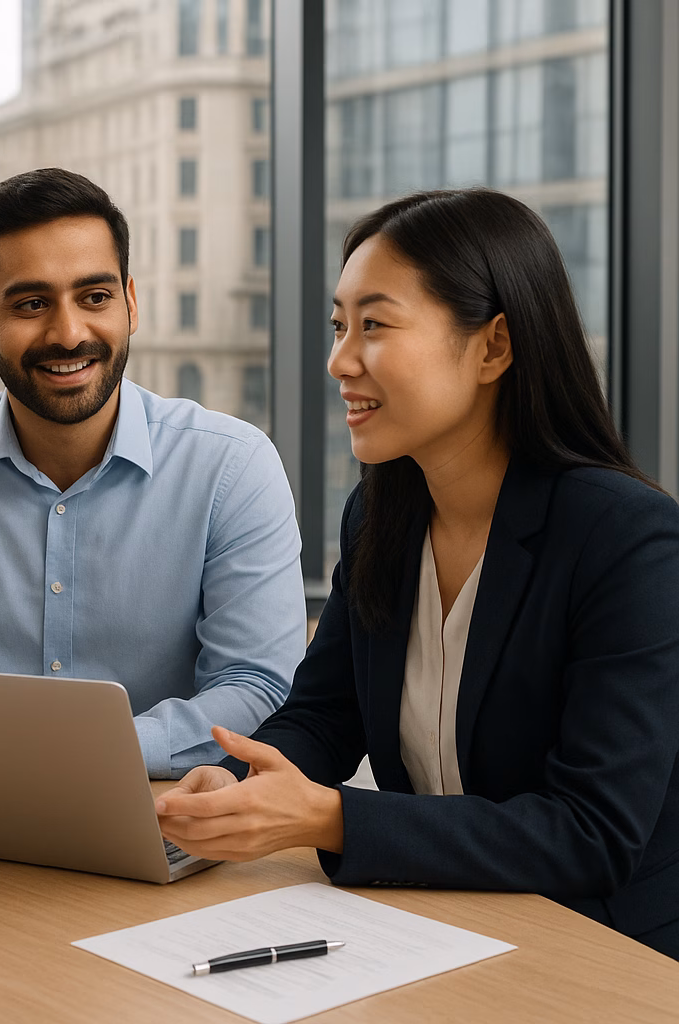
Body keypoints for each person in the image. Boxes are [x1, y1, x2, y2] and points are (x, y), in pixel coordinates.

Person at [155, 188, 679, 958]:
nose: (339, 360)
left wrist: (329, 818)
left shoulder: (627, 539)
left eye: (374, 325)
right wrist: (242, 782)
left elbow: (591, 834)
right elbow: (324, 715)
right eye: (339, 326)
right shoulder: (379, 518)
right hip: (434, 929)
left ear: (493, 347)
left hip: (603, 955)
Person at [0, 168, 306, 778]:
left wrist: (66, 754)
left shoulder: (233, 465)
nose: (69, 333)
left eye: (95, 298)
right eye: (31, 304)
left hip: (166, 813)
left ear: (130, 303)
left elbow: (258, 687)